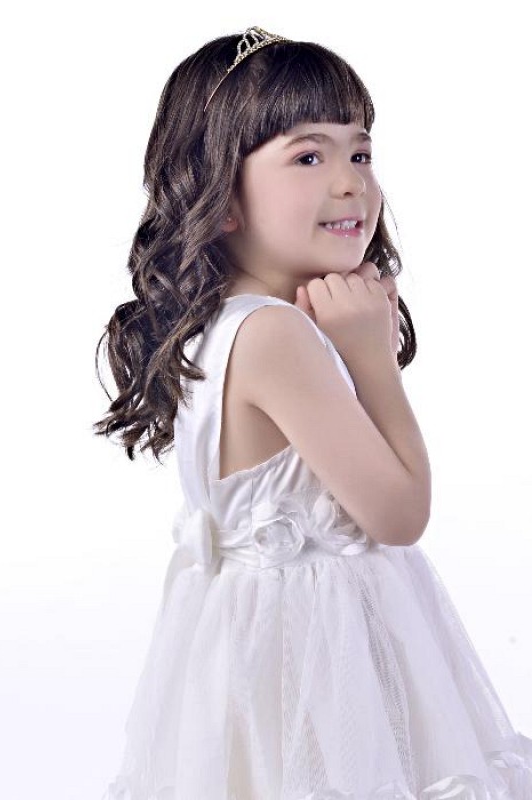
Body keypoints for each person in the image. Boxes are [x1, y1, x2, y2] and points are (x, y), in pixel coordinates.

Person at [94, 25, 532, 800]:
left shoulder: (225, 321)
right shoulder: (276, 335)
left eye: (360, 153)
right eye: (308, 157)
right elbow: (397, 514)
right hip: (316, 658)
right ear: (221, 196)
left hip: (265, 642)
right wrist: (372, 359)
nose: (350, 183)